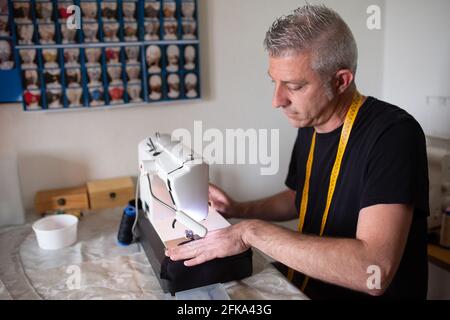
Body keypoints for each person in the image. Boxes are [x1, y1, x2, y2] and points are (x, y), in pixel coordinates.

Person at [166, 4, 429, 299]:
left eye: (293, 86)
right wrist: (238, 209)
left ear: (341, 81)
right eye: (274, 82)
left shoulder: (394, 134)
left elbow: (373, 271)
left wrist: (250, 231)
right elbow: (299, 198)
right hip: (306, 286)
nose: (277, 100)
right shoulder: (311, 121)